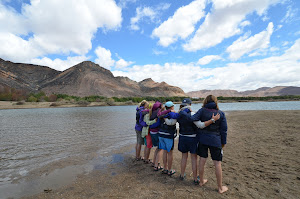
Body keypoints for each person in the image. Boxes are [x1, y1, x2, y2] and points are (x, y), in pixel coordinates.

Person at [191, 95, 228, 194]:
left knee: (202, 160)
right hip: (216, 140)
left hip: (203, 139)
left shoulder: (202, 110)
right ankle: (220, 188)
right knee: (217, 163)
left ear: (205, 101)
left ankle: (201, 181)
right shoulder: (220, 113)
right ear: (216, 102)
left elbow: (193, 118)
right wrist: (223, 142)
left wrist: (202, 123)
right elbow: (223, 130)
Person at [154, 101, 179, 176]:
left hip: (161, 135)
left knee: (164, 151)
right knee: (170, 153)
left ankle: (165, 168)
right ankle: (169, 170)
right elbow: (172, 123)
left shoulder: (162, 113)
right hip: (168, 136)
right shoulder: (173, 114)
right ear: (172, 107)